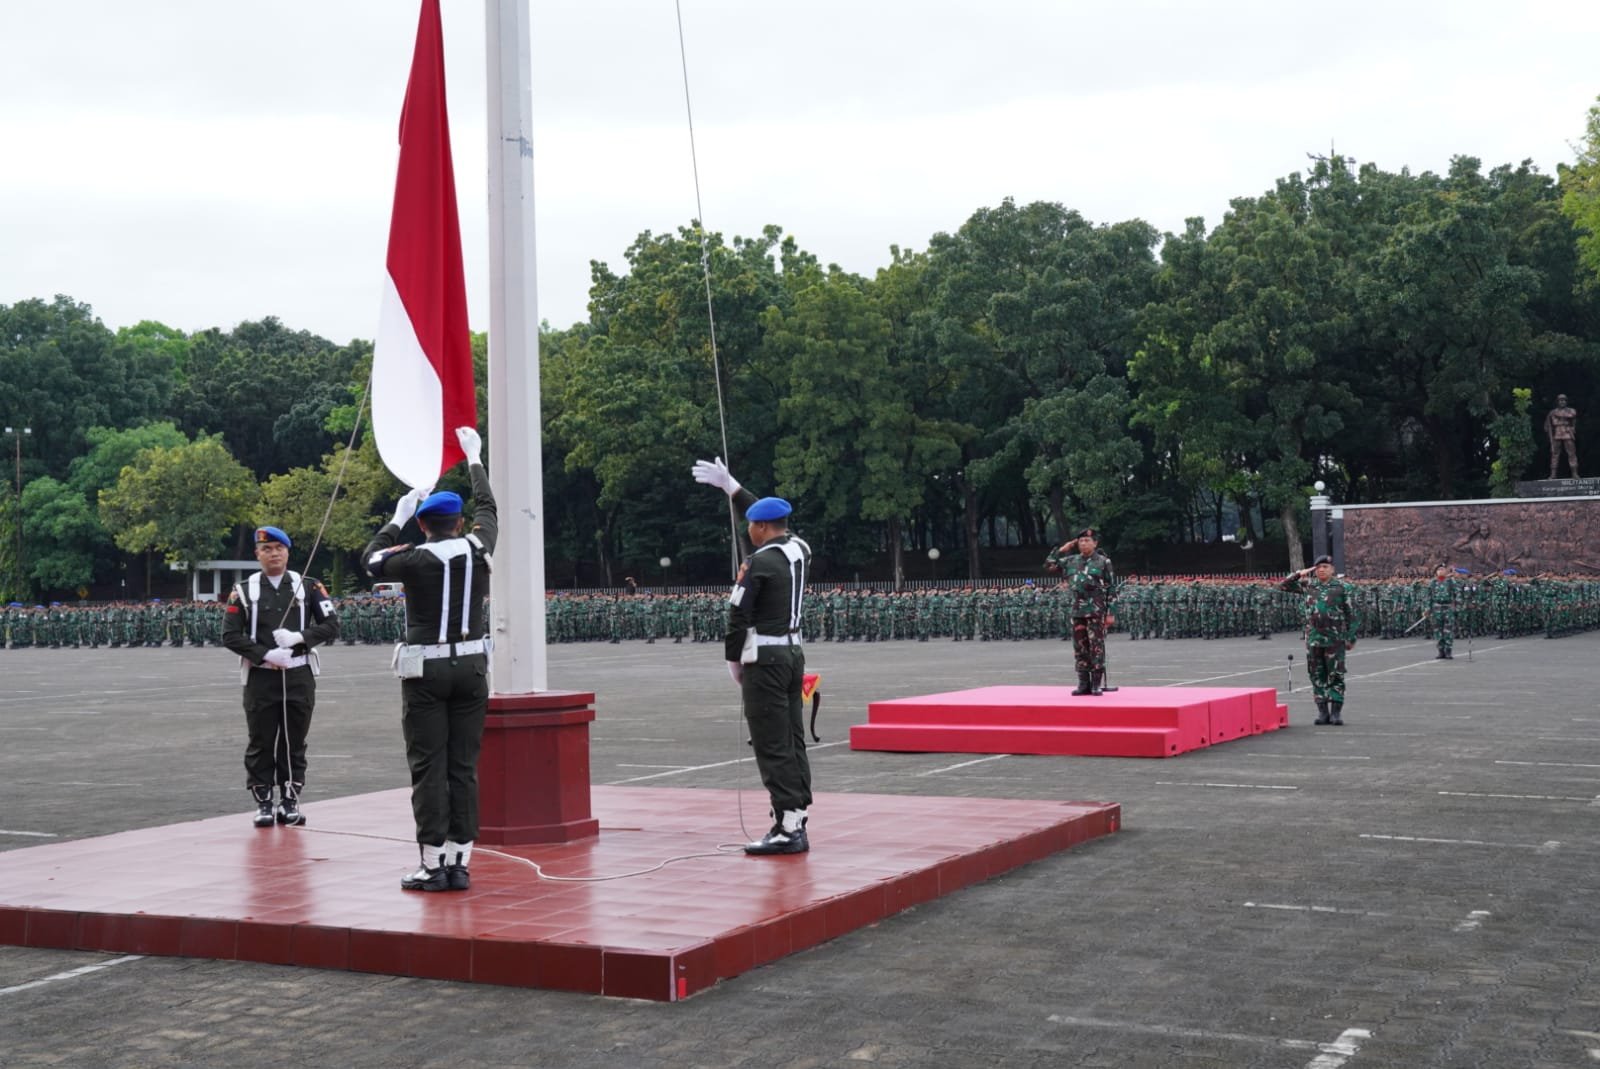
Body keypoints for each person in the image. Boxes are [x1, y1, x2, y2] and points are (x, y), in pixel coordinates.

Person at [364, 427, 496, 893]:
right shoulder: (479, 549)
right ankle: (461, 862)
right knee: (464, 766)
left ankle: (432, 863)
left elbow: (371, 559)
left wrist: (397, 517)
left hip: (427, 670)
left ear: (423, 525)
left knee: (428, 767)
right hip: (473, 668)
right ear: (458, 522)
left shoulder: (414, 559)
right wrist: (475, 460)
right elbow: (489, 509)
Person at [691, 456, 814, 855]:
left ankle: (786, 826)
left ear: (761, 528)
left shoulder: (758, 563)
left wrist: (732, 660)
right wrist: (734, 489)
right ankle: (796, 817)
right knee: (792, 738)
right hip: (794, 655)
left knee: (770, 743)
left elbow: (737, 615)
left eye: (752, 524)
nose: (749, 528)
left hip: (764, 659)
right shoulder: (799, 549)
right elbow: (768, 518)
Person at [220, 526, 340, 828]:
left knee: (294, 739)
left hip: (298, 674)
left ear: (288, 551)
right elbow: (230, 635)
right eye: (267, 549)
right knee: (261, 740)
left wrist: (300, 638)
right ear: (257, 554)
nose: (273, 553)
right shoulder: (244, 590)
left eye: (279, 548)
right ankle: (263, 801)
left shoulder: (308, 587)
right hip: (262, 676)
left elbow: (331, 625)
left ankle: (290, 799)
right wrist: (264, 654)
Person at [1279, 555, 1359, 725]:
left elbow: (1351, 614)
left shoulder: (1343, 588)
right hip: (1314, 639)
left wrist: (1351, 637)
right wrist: (1299, 574)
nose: (1321, 570)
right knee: (1316, 674)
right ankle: (1323, 712)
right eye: (1318, 567)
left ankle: (1336, 713)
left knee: (1336, 674)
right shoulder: (1309, 586)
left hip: (1335, 639)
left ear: (1332, 569)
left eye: (1325, 566)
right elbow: (1283, 585)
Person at [1044, 528, 1117, 696]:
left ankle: (1096, 683)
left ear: (1095, 543)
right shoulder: (1070, 560)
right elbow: (1049, 565)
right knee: (1080, 647)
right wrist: (1061, 550)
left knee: (1096, 646)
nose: (1084, 543)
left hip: (1096, 610)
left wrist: (1111, 612)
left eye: (1087, 541)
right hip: (1077, 610)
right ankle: (1083, 683)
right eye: (1081, 541)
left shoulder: (1103, 561)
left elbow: (1111, 587)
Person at [1544, 393, 1579, 479]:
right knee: (1555, 454)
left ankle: (1574, 473)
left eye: (1564, 400)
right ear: (1557, 402)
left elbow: (1573, 422)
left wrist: (1572, 429)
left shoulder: (1571, 411)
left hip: (1567, 433)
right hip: (1557, 434)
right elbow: (1547, 426)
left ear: (1566, 401)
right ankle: (1553, 474)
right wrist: (1549, 433)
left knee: (1572, 453)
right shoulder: (1552, 413)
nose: (1562, 402)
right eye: (1560, 400)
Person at [1428, 563, 1457, 659]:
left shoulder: (1450, 582)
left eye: (1443, 569)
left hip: (1447, 607)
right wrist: (1427, 609)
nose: (1441, 571)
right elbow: (1428, 597)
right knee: (1438, 631)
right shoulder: (1433, 582)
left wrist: (1457, 606)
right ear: (1436, 572)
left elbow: (1457, 594)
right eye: (1439, 570)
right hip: (1436, 608)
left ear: (1446, 571)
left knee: (1448, 631)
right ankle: (1441, 651)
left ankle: (1448, 651)